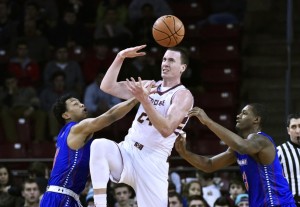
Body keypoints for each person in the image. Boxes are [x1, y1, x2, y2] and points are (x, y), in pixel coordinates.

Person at [89, 45, 194, 207]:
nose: (165, 63)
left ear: (182, 68)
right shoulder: (149, 85)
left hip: (153, 161)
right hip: (128, 151)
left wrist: (144, 100)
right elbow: (107, 86)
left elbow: (166, 129)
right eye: (164, 59)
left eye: (171, 60)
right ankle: (99, 205)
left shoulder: (183, 95)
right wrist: (120, 57)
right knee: (98, 145)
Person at [175, 103, 297, 207]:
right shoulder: (240, 146)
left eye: (244, 113)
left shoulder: (261, 140)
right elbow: (209, 165)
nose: (238, 116)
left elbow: (242, 146)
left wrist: (208, 121)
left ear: (256, 119)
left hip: (278, 203)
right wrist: (184, 153)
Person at [39, 93, 139, 207]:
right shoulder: (76, 129)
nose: (81, 104)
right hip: (60, 198)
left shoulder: (64, 134)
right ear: (66, 115)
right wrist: (137, 97)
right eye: (75, 104)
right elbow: (111, 115)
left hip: (65, 196)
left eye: (80, 102)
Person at [277, 113, 300, 206]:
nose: (298, 130)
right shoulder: (279, 151)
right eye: (293, 127)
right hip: (291, 202)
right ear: (288, 130)